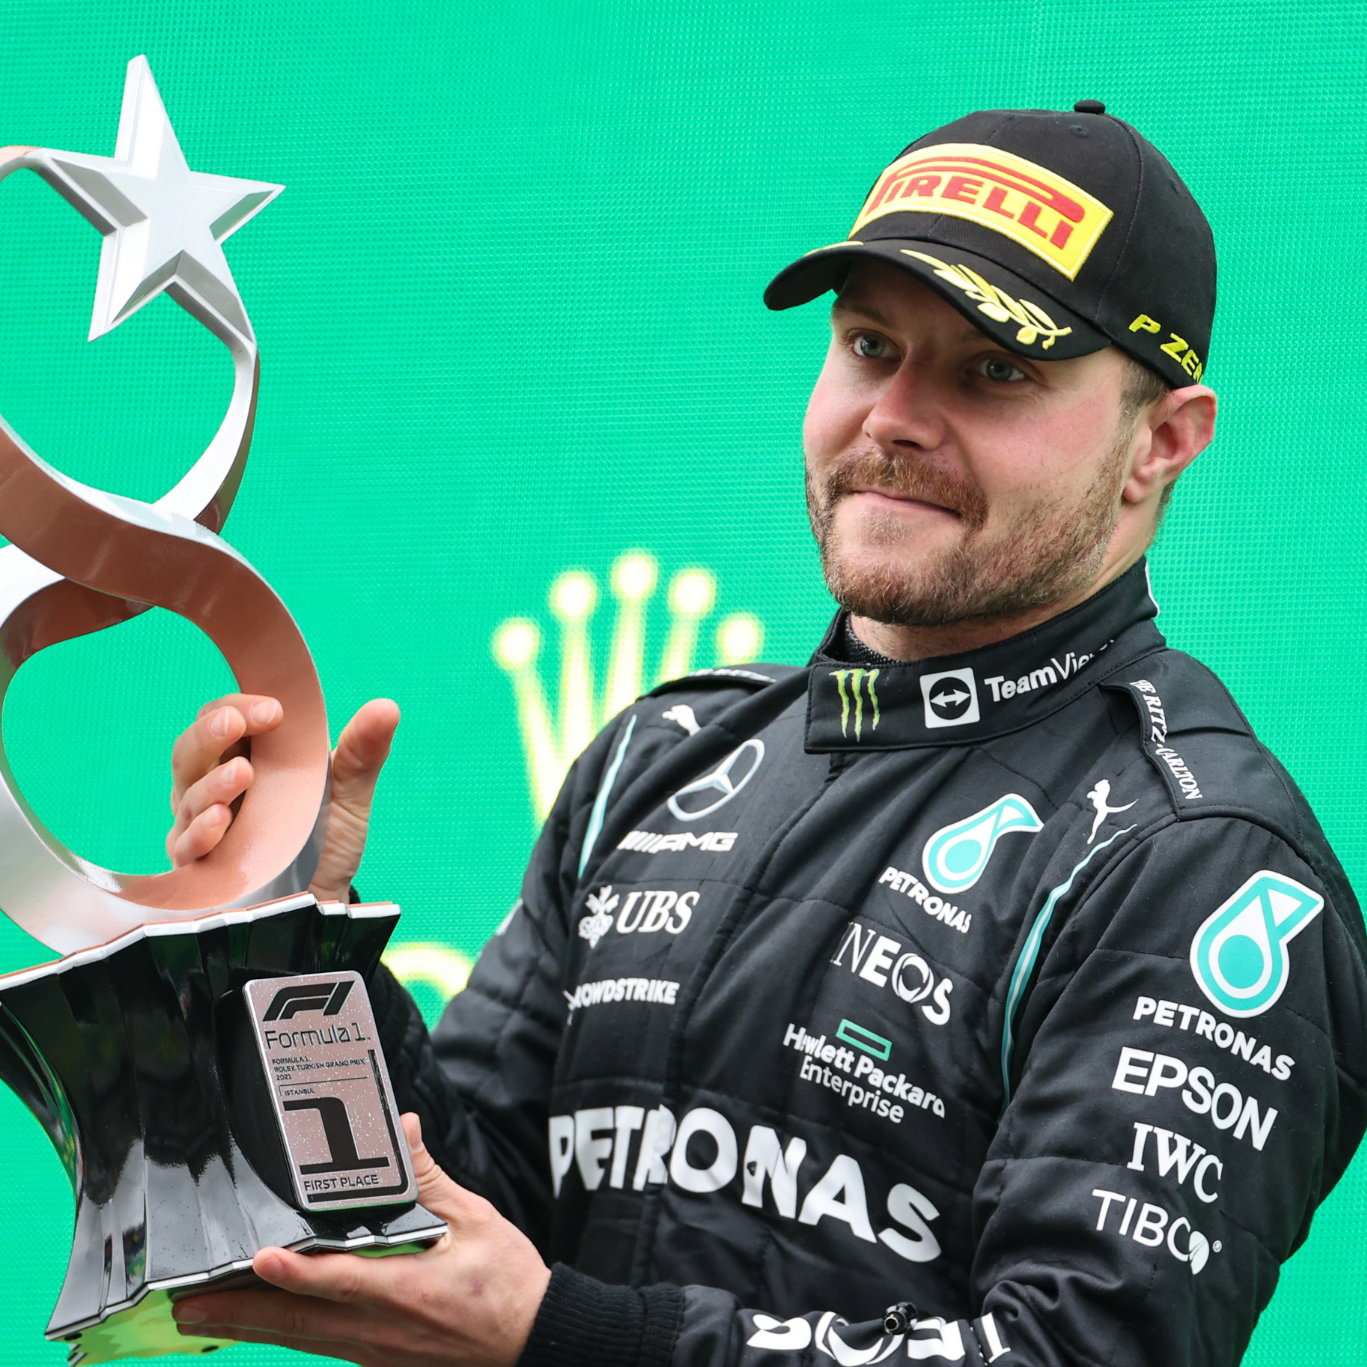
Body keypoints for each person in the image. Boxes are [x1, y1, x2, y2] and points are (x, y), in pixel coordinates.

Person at [167, 103, 1367, 1367]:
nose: (891, 417)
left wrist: (560, 1335)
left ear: (1161, 443)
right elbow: (466, 1218)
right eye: (867, 345)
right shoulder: (663, 750)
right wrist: (292, 947)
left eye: (992, 370)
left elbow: (1072, 1353)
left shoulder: (1197, 859)